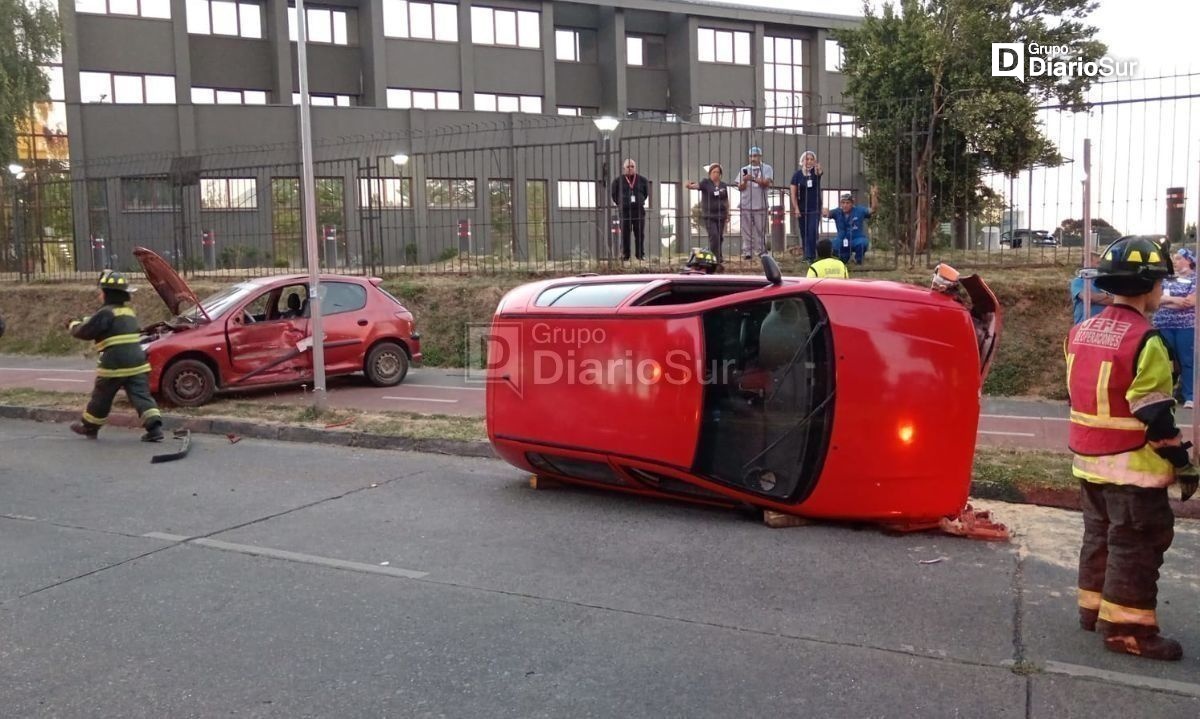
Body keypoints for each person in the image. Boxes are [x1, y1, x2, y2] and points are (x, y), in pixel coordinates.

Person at [1066, 236, 1198, 662]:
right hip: (1132, 468)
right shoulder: (1147, 339)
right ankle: (1128, 630)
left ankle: (1092, 610)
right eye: (1160, 283)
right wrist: (1183, 462)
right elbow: (1155, 415)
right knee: (1138, 544)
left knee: (1100, 537)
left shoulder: (1080, 332)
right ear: (1147, 287)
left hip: (1087, 463)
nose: (1163, 291)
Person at [66, 270, 164, 442]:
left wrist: (72, 325)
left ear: (106, 294)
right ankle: (154, 428)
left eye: (101, 292)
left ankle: (89, 427)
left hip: (115, 364)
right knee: (141, 396)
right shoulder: (128, 312)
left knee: (102, 396)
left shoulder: (106, 312)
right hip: (138, 363)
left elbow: (86, 331)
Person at [1152, 247, 1197, 408]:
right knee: (1165, 359)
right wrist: (1178, 301)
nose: (1175, 261)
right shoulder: (1167, 278)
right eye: (1174, 258)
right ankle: (1165, 393)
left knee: (1187, 360)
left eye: (1178, 258)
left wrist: (1168, 301)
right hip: (1163, 324)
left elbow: (1191, 302)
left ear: (1189, 260)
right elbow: (1156, 298)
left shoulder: (1195, 279)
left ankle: (1189, 395)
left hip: (1186, 326)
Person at [686, 163, 730, 263]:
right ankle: (716, 260)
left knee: (719, 237)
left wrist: (728, 213)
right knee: (714, 236)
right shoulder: (706, 183)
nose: (716, 174)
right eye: (713, 172)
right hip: (709, 215)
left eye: (718, 172)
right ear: (710, 173)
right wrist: (690, 186)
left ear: (720, 174)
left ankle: (719, 256)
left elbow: (726, 200)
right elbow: (697, 186)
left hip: (721, 215)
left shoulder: (723, 185)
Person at [610, 158, 650, 261]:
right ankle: (625, 255)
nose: (630, 168)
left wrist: (638, 201)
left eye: (632, 166)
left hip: (638, 210)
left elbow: (646, 194)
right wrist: (622, 203)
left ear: (635, 168)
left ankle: (640, 255)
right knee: (625, 234)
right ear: (624, 168)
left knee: (640, 233)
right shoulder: (617, 181)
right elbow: (614, 195)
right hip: (625, 211)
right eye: (628, 167)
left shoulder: (643, 180)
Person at [824, 189, 878, 265]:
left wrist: (874, 196)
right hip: (841, 240)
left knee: (863, 243)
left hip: (856, 239)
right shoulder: (837, 211)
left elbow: (873, 210)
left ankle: (858, 261)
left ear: (852, 203)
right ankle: (839, 261)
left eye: (847, 203)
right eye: (843, 203)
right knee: (832, 245)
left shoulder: (859, 210)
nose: (845, 205)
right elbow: (826, 214)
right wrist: (824, 210)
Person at [737, 146, 773, 260]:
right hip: (746, 204)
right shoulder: (744, 169)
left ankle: (761, 251)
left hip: (760, 204)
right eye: (751, 156)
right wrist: (745, 180)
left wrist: (752, 178)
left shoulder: (767, 168)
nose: (753, 158)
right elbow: (740, 187)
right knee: (746, 230)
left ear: (760, 156)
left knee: (760, 230)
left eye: (755, 156)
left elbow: (766, 183)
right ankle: (748, 251)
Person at [790, 150, 823, 261]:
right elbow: (793, 193)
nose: (809, 161)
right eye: (807, 159)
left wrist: (818, 169)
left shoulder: (815, 172)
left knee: (812, 231)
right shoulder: (797, 175)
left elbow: (819, 172)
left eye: (811, 159)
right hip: (802, 208)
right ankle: (806, 255)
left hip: (814, 208)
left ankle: (811, 255)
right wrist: (796, 208)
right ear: (802, 161)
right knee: (804, 232)